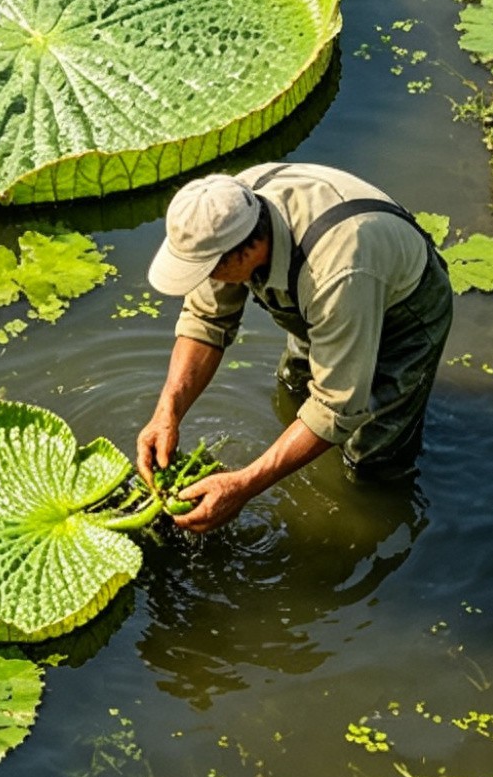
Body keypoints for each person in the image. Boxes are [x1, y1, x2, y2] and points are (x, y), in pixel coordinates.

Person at [136, 159, 454, 532]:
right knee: (294, 385)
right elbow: (207, 320)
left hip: (402, 312)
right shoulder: (223, 212)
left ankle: (377, 510)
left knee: (370, 457)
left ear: (244, 253)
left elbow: (335, 406)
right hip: (326, 297)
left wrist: (245, 485)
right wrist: (167, 412)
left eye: (208, 270)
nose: (205, 279)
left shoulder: (336, 271)